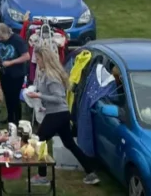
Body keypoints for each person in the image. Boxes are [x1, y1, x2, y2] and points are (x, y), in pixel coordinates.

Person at [27, 46, 100, 186]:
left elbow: (59, 98)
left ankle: (42, 176)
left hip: (57, 114)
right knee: (69, 144)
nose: (37, 61)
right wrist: (43, 105)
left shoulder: (50, 76)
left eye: (39, 58)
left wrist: (38, 95)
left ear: (45, 59)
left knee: (39, 140)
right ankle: (91, 172)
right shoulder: (48, 73)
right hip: (59, 113)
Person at [0, 22, 29, 125]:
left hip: (16, 74)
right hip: (4, 73)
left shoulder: (17, 40)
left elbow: (26, 56)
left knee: (14, 97)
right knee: (7, 96)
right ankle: (10, 118)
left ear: (6, 33)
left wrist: (11, 62)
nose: (0, 39)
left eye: (1, 37)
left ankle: (17, 120)